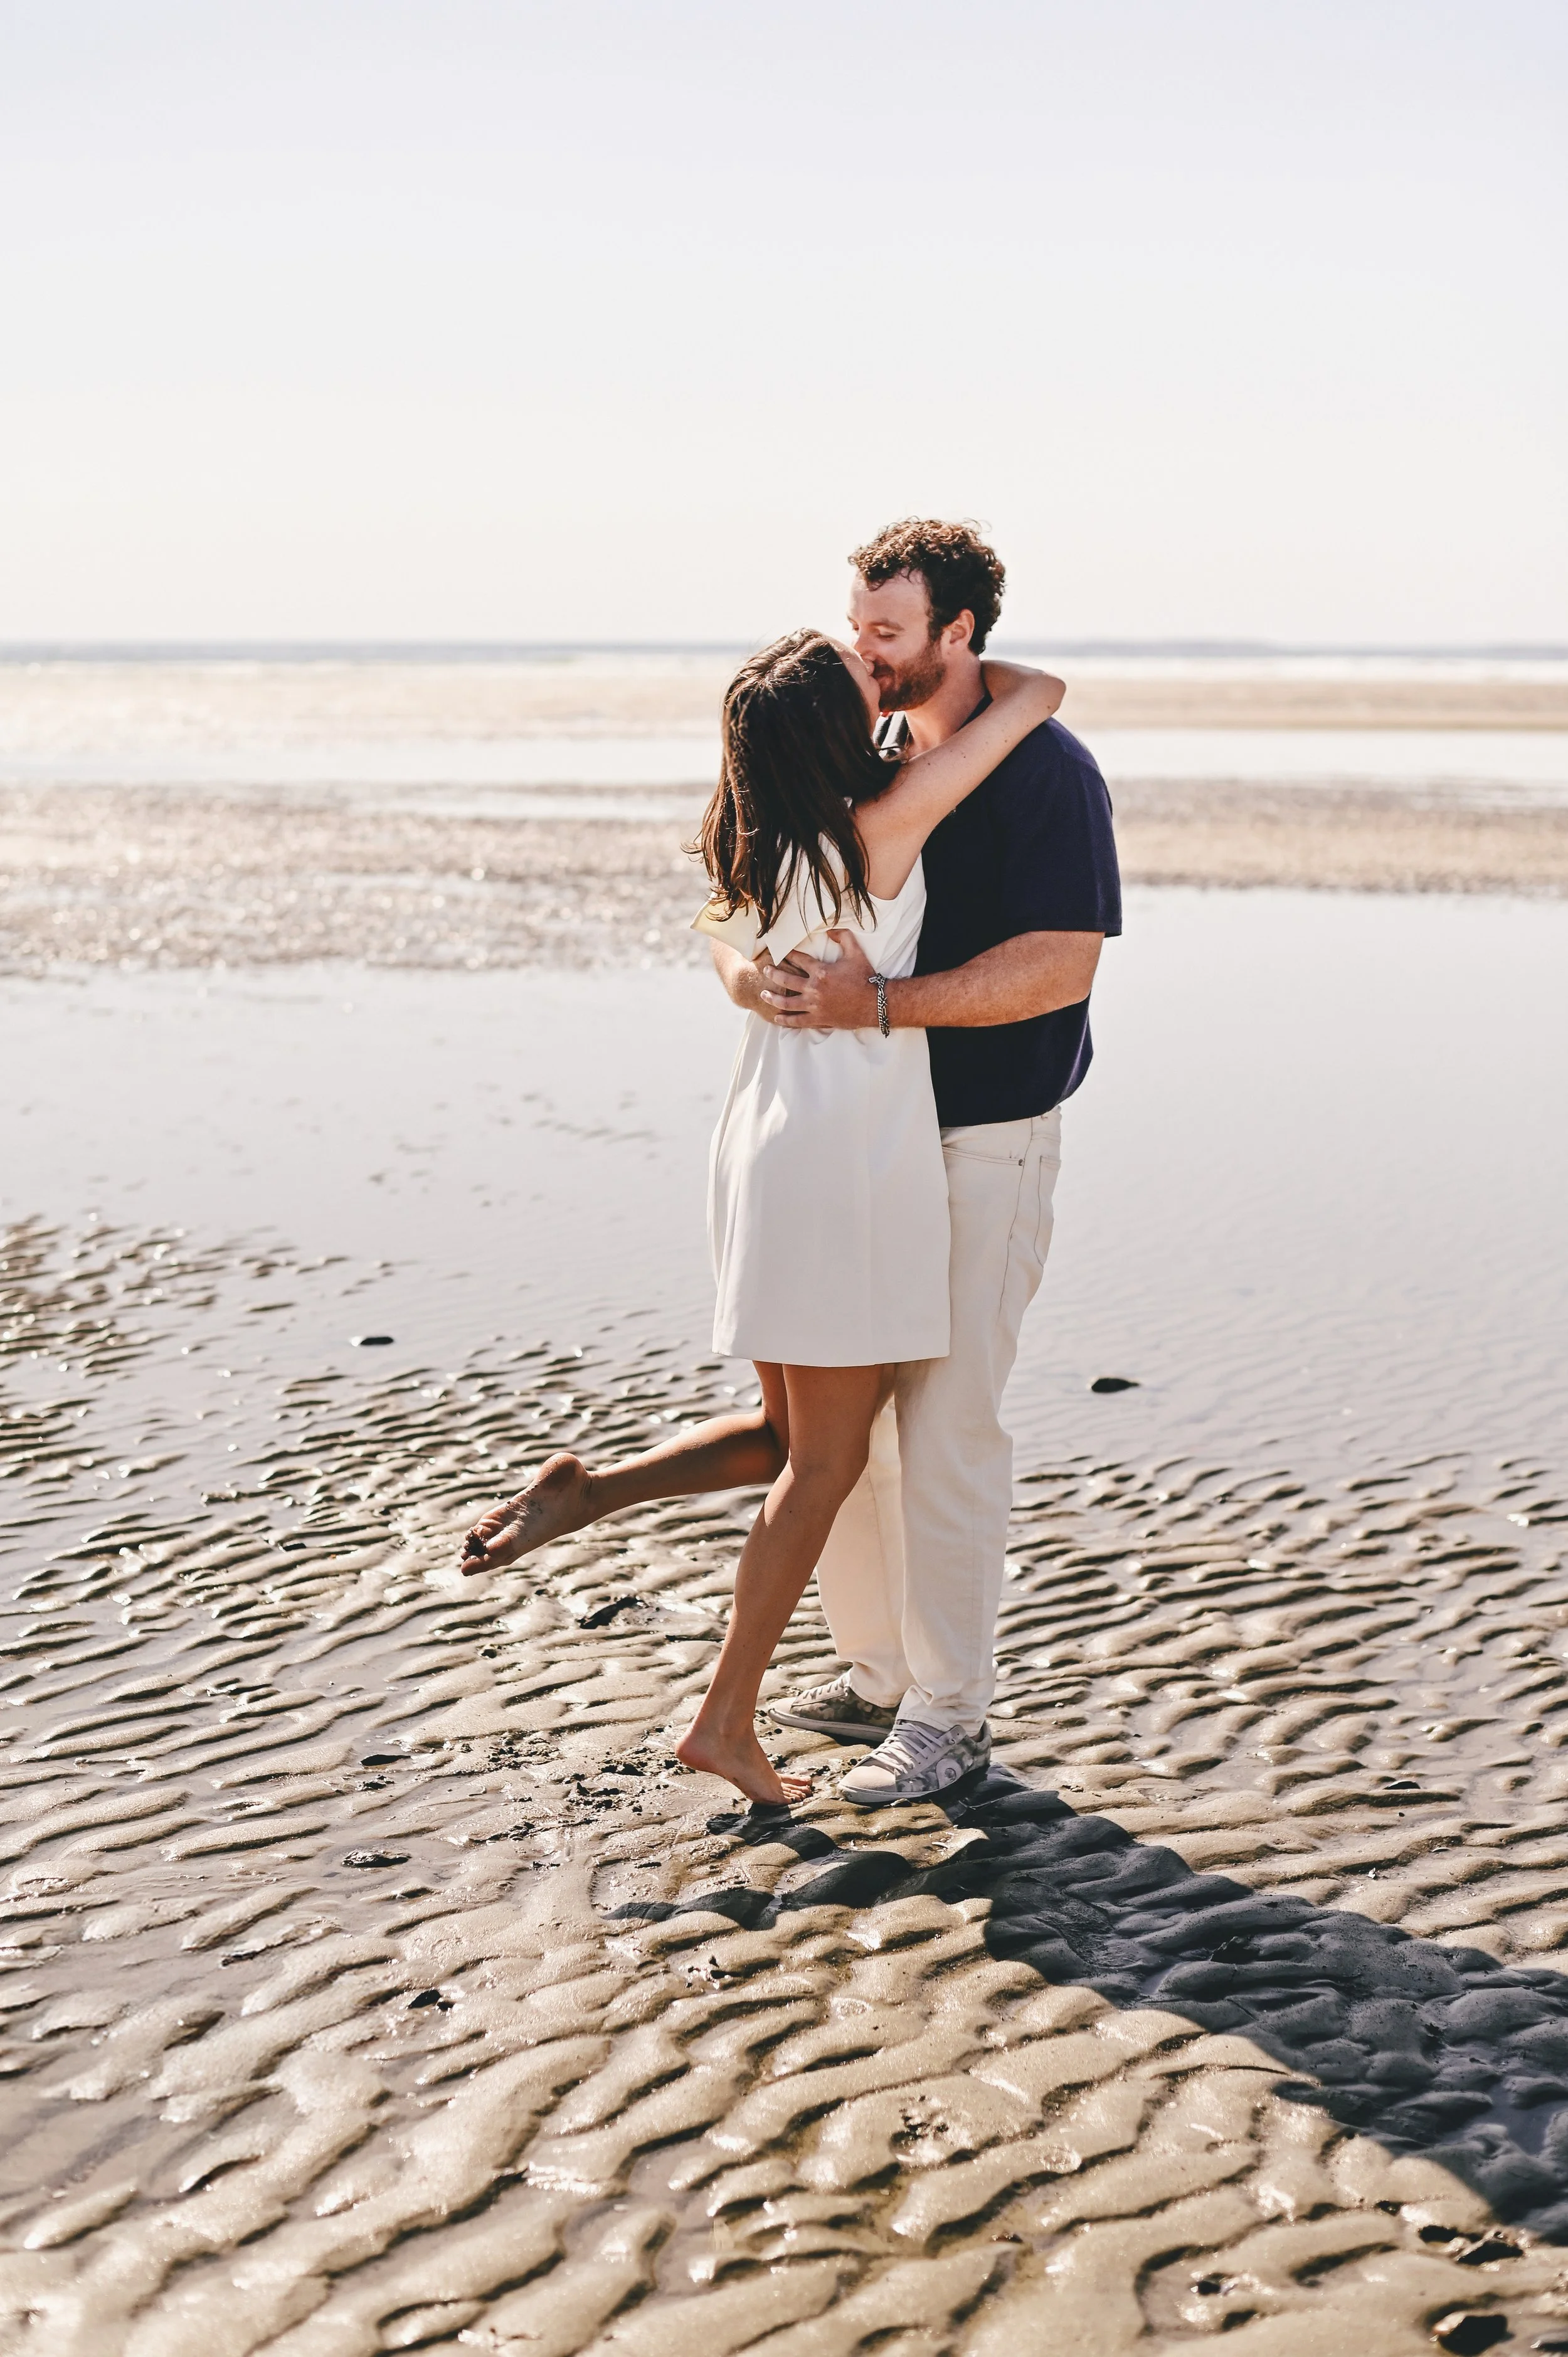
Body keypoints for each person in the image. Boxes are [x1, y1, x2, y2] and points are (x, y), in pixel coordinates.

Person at [460, 621, 1064, 1807]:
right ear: (834, 731)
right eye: (859, 679)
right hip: (843, 1164)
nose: (874, 673)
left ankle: (593, 1491)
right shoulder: (876, 829)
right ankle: (726, 1720)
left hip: (760, 1149)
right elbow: (1035, 694)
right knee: (831, 1460)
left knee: (794, 1437)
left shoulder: (760, 838)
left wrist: (759, 978)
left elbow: (730, 962)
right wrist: (932, 687)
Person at [714, 519, 1121, 1808]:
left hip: (982, 1139)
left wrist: (877, 1009)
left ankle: (948, 1715)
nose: (861, 649)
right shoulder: (871, 755)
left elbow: (1059, 967)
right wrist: (759, 977)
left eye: (886, 629)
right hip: (863, 1148)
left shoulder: (1044, 771)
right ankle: (879, 1669)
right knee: (855, 1434)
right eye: (856, 623)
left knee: (944, 1430)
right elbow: (738, 914)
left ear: (958, 634)